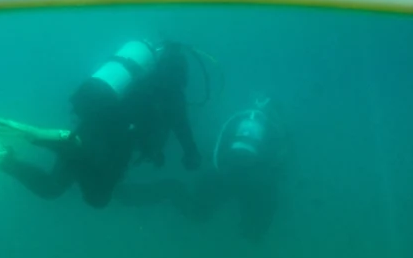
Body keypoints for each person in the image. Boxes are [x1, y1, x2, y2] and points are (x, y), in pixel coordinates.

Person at [0, 39, 202, 209]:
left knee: (51, 189)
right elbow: (180, 126)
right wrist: (190, 153)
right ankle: (60, 142)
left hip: (88, 128)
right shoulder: (170, 90)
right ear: (180, 71)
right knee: (97, 199)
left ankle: (3, 158)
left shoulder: (136, 80)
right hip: (114, 142)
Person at [117, 95, 288, 242]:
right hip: (252, 182)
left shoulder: (237, 119)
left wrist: (218, 171)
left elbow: (217, 148)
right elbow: (276, 169)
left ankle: (139, 193)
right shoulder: (277, 130)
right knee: (257, 206)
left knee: (198, 212)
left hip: (225, 173)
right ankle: (251, 232)